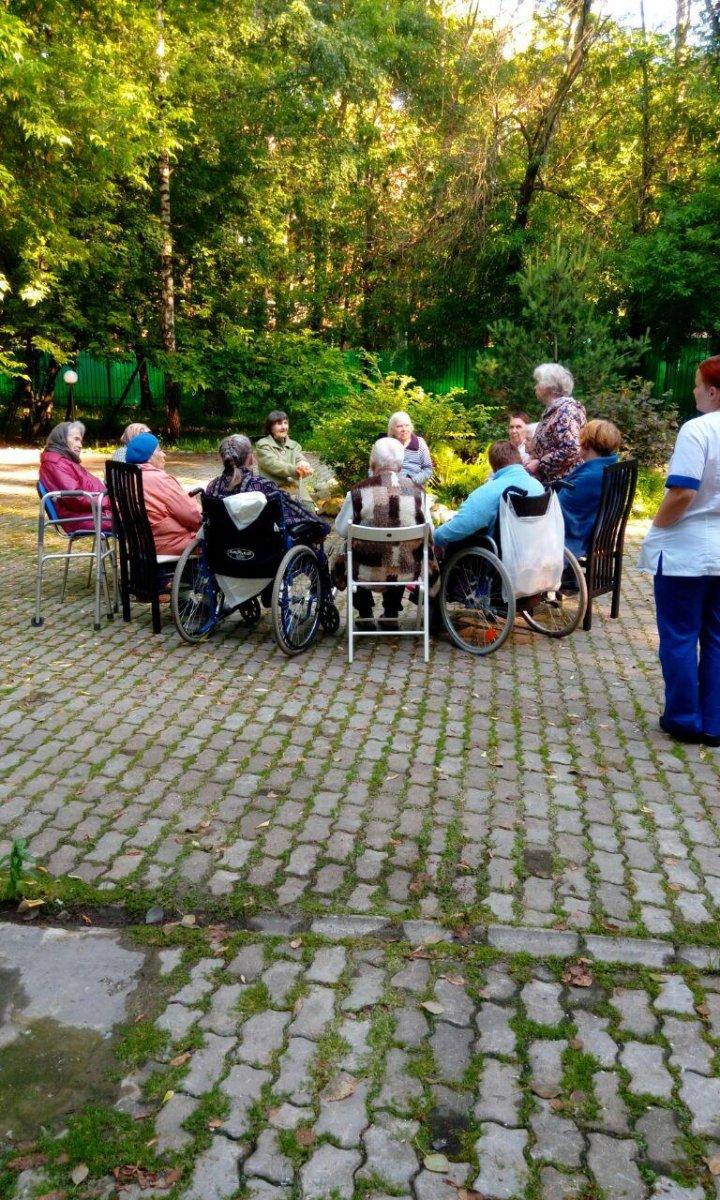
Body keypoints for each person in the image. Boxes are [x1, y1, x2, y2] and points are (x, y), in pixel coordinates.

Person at [638, 355, 720, 748]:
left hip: (687, 552)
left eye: (696, 384)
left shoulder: (698, 429)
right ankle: (715, 722)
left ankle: (684, 718)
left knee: (680, 635)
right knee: (718, 637)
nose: (693, 392)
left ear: (712, 391)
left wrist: (657, 527)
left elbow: (683, 491)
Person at [334, 437, 436, 629]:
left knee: (350, 549)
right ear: (400, 466)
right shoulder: (418, 494)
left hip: (363, 573)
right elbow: (430, 531)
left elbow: (340, 530)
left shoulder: (356, 493)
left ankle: (365, 614)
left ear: (372, 463)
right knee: (399, 553)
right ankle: (390, 614)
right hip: (406, 573)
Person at [434, 441, 544, 551]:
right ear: (519, 460)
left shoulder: (489, 492)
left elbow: (461, 526)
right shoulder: (538, 486)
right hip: (535, 553)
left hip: (501, 556)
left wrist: (436, 536)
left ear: (493, 465)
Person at [206, 434, 321, 534]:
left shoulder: (212, 487)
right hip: (262, 552)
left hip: (222, 549)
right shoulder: (263, 486)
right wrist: (320, 525)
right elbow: (294, 514)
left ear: (223, 457)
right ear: (250, 457)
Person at [125, 432, 201, 556]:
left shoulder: (126, 477)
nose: (164, 454)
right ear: (149, 456)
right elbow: (192, 514)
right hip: (169, 543)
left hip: (140, 542)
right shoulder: (159, 479)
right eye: (160, 450)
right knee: (220, 540)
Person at [557, 419, 622, 557]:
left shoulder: (591, 476)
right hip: (594, 535)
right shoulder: (613, 469)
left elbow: (557, 510)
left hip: (575, 541)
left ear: (586, 443)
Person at [39, 421, 112, 532]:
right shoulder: (55, 463)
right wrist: (109, 502)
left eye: (81, 441)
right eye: (76, 439)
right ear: (62, 439)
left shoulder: (64, 461)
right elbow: (76, 498)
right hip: (81, 517)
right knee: (136, 519)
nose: (80, 445)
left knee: (137, 513)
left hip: (93, 511)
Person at [525, 363, 586, 484]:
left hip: (566, 484)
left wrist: (539, 463)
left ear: (548, 386)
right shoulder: (555, 410)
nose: (535, 387)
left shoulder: (566, 411)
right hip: (555, 482)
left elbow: (572, 449)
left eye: (537, 382)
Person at [255, 410, 314, 505]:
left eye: (285, 423)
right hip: (274, 489)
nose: (283, 427)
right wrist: (296, 470)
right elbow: (273, 464)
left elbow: (299, 457)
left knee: (309, 509)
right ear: (270, 427)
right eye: (279, 424)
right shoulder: (263, 445)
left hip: (296, 488)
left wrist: (303, 464)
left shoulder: (294, 445)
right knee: (288, 514)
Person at [388, 411, 433, 486]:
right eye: (399, 426)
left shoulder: (420, 443)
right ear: (392, 429)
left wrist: (412, 481)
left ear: (411, 427)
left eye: (407, 425)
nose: (404, 429)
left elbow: (428, 470)